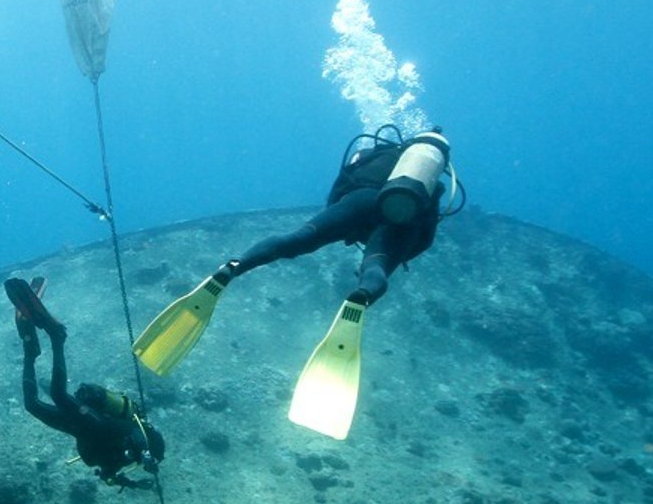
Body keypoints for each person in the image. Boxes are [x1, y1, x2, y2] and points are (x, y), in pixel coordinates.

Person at [134, 127, 457, 376]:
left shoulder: (375, 154)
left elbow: (340, 185)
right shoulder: (433, 183)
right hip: (400, 220)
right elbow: (426, 234)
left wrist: (340, 220)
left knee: (297, 239)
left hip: (356, 201)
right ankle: (361, 295)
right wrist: (402, 251)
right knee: (376, 265)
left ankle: (236, 266)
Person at [5, 276, 165, 487]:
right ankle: (57, 337)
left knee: (31, 405)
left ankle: (30, 352)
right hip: (94, 423)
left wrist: (131, 483)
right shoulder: (136, 439)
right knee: (58, 394)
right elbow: (140, 436)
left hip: (75, 427)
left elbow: (109, 476)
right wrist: (145, 454)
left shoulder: (120, 460)